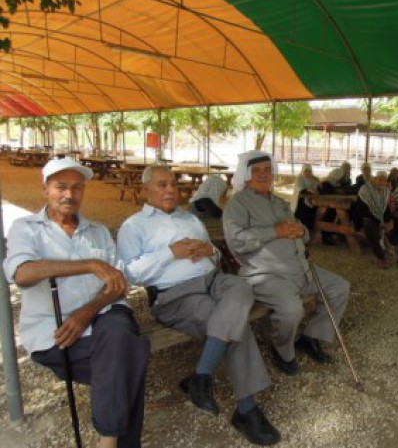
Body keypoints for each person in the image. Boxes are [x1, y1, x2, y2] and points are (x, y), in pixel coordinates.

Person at [117, 165, 280, 446]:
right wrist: (170, 253)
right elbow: (130, 274)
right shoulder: (134, 226)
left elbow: (214, 255)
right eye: (162, 185)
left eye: (173, 184)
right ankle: (246, 409)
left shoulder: (190, 218)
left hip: (214, 280)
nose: (170, 189)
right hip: (176, 295)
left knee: (242, 287)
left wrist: (210, 250)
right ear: (145, 190)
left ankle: (201, 375)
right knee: (234, 323)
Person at [4, 158, 150, 448]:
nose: (69, 195)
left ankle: (108, 441)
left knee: (119, 334)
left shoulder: (97, 231)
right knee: (130, 355)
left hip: (102, 315)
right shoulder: (26, 228)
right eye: (60, 187)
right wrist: (90, 264)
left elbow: (117, 283)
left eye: (77, 188)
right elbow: (22, 273)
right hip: (54, 334)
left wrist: (87, 312)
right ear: (45, 190)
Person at [223, 151, 350, 376]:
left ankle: (311, 336)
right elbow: (237, 241)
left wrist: (301, 231)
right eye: (256, 170)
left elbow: (305, 234)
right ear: (246, 175)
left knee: (340, 287)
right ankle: (283, 349)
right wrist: (275, 231)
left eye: (267, 170)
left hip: (301, 269)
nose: (263, 174)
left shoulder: (279, 202)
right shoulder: (237, 204)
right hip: (266, 275)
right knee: (292, 310)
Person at [356, 171, 398, 269]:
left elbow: (386, 209)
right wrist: (380, 223)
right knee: (371, 227)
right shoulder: (365, 190)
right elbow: (363, 212)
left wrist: (390, 221)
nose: (381, 182)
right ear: (374, 180)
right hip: (366, 219)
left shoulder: (385, 191)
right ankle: (381, 258)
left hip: (380, 218)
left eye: (384, 180)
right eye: (379, 179)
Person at [291, 163, 320, 230]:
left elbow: (318, 189)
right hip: (300, 203)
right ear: (303, 171)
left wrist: (318, 185)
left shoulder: (314, 179)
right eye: (306, 171)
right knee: (303, 214)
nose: (308, 173)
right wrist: (307, 190)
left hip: (312, 201)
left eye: (309, 171)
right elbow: (298, 189)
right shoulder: (299, 179)